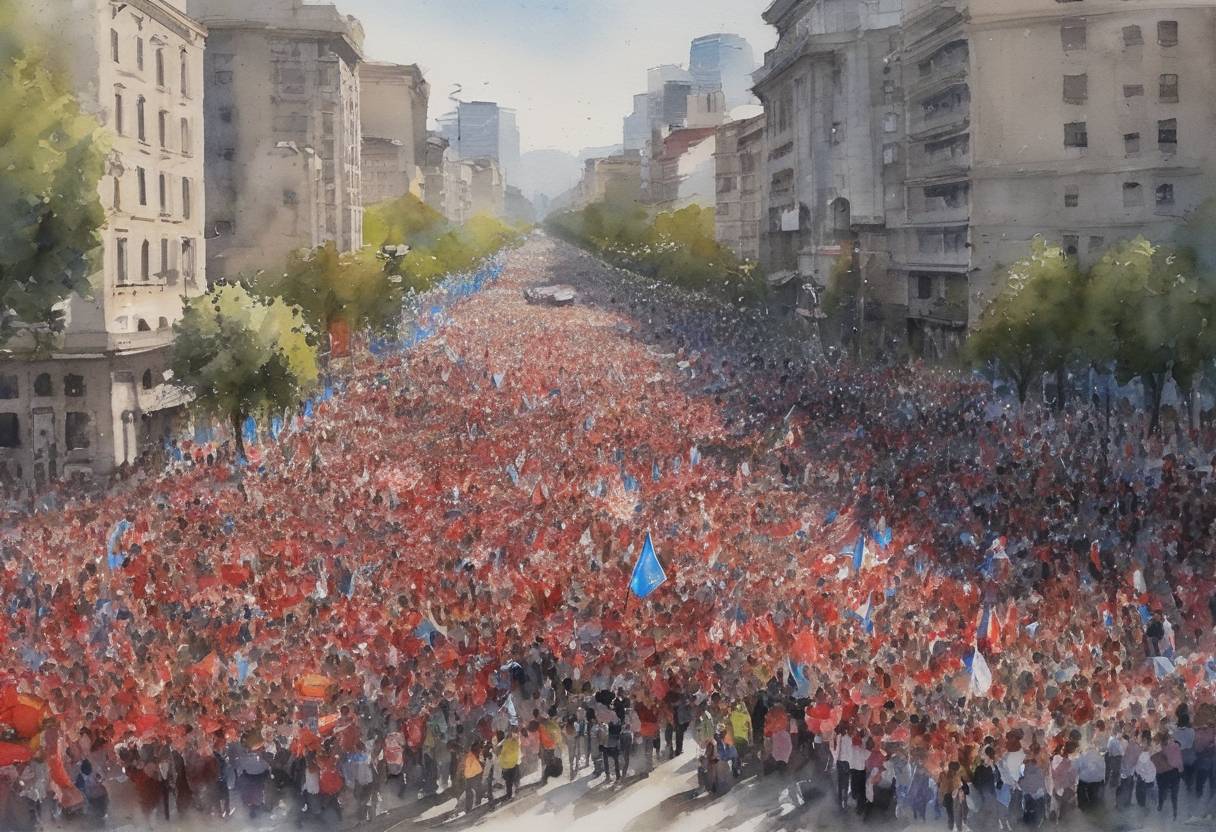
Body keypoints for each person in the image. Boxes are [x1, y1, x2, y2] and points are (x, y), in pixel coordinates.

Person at [498, 727, 521, 801]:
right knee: (512, 779)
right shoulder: (513, 742)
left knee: (509, 781)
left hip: (507, 765)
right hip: (511, 764)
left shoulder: (505, 743)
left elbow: (501, 754)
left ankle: (510, 794)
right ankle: (513, 792)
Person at [462, 741, 483, 814]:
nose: (479, 751)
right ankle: (474, 805)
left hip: (470, 776)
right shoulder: (471, 757)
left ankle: (470, 807)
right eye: (478, 750)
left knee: (471, 792)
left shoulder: (471, 756)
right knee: (475, 791)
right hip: (473, 776)